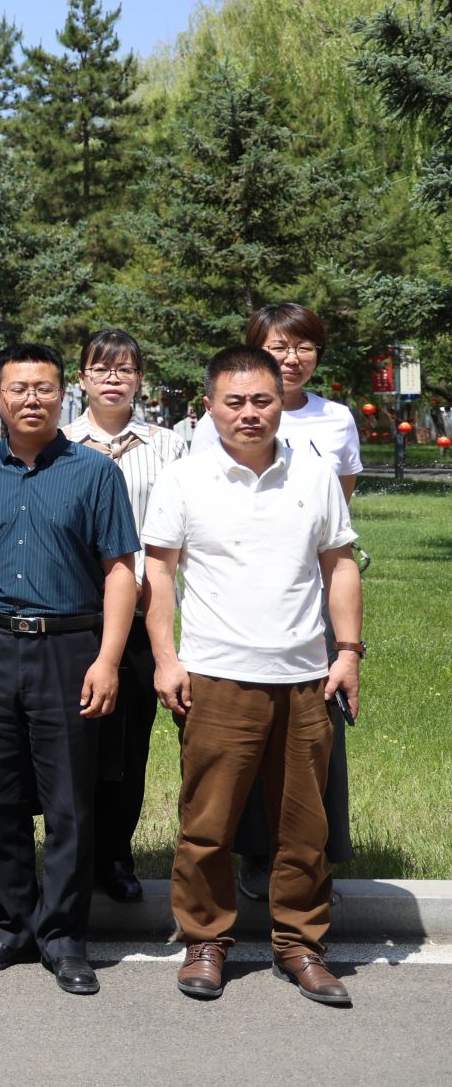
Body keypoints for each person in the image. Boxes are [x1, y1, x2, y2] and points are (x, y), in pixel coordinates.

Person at [144, 345, 363, 1006]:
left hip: (304, 676)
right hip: (217, 675)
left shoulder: (315, 474)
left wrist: (348, 651)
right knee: (208, 823)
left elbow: (339, 564)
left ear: (280, 403)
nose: (249, 413)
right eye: (234, 401)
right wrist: (165, 658)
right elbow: (159, 573)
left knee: (305, 825)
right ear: (209, 406)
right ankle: (205, 940)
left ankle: (300, 944)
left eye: (261, 400)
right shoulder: (184, 477)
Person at [0, 343, 138, 996]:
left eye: (45, 387)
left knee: (69, 802)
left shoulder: (95, 472)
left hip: (70, 649)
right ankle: (14, 921)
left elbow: (121, 571)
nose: (32, 398)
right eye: (19, 388)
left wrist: (108, 659)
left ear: (64, 395)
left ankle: (63, 936)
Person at [193, 302, 362, 897]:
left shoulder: (336, 419)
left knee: (312, 737)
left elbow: (338, 515)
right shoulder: (218, 419)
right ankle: (255, 855)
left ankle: (312, 857)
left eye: (303, 346)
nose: (292, 357)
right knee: (239, 736)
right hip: (233, 601)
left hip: (309, 594)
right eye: (278, 346)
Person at [61, 329, 185, 905]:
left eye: (125, 368)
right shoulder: (59, 442)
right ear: (81, 378)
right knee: (71, 743)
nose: (113, 378)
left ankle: (115, 853)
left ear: (140, 379)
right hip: (71, 615)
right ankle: (70, 856)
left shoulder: (170, 448)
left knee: (129, 744)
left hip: (141, 613)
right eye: (101, 368)